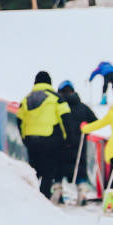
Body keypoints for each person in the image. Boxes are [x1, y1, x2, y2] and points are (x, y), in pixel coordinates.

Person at [16, 71, 71, 199]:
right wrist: (67, 138)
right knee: (48, 171)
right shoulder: (56, 98)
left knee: (34, 171)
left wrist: (24, 137)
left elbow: (19, 120)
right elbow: (65, 118)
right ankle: (43, 199)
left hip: (31, 140)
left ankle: (30, 198)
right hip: (50, 139)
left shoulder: (26, 99)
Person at [55, 80, 99, 204]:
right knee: (80, 170)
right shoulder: (83, 107)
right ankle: (82, 194)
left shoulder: (57, 106)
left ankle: (58, 193)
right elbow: (96, 121)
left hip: (60, 144)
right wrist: (85, 129)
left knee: (59, 170)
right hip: (79, 146)